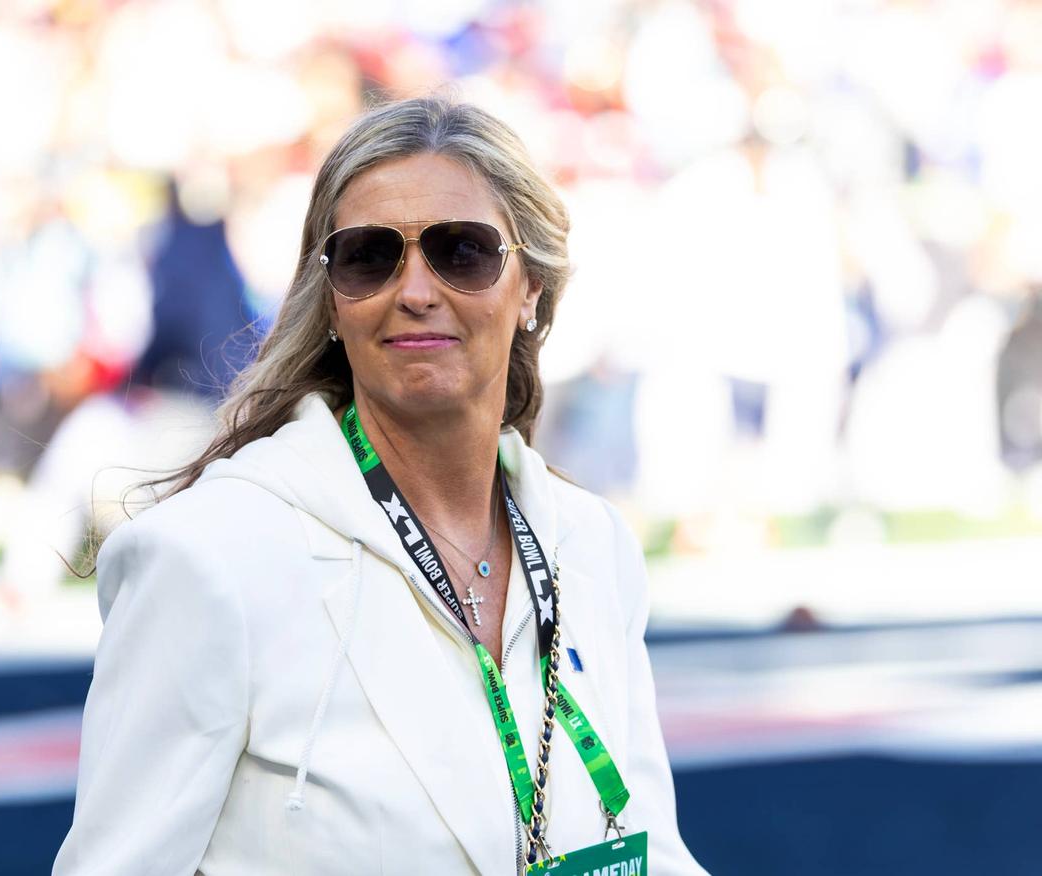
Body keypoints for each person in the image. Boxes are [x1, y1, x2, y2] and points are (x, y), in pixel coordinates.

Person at [53, 96, 707, 876]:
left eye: (462, 251)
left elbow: (652, 848)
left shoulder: (593, 546)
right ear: (333, 300)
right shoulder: (210, 557)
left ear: (530, 284)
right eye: (369, 256)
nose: (416, 290)